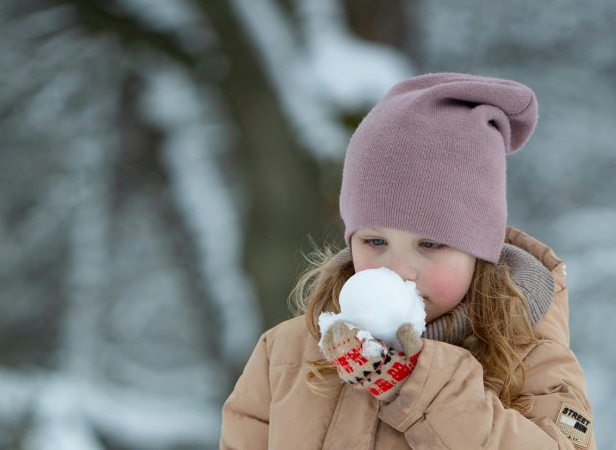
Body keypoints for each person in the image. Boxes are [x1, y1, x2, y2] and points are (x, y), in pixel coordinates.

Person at [220, 72, 595, 449]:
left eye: (430, 244)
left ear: (479, 252)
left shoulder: (532, 360)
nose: (398, 270)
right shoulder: (285, 353)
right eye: (375, 241)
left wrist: (422, 386)